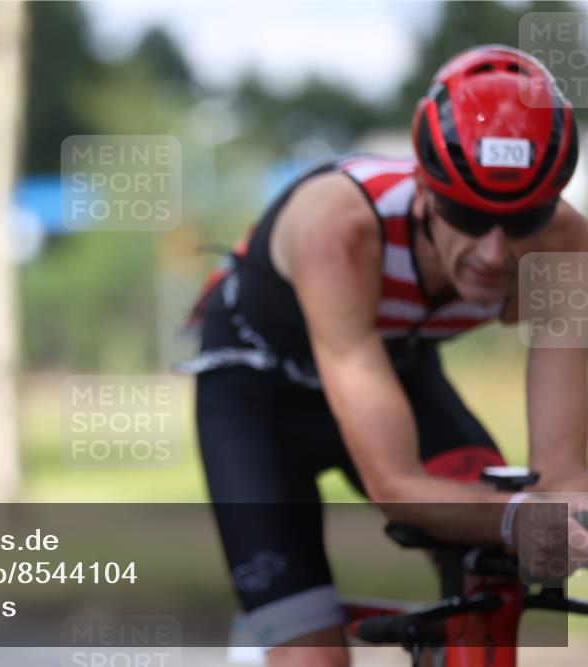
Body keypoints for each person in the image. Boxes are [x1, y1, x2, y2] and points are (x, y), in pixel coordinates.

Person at [188, 45, 588, 666]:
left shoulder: (562, 246)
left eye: (522, 219)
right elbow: (397, 486)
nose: (493, 253)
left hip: (395, 371)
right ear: (424, 187)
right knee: (314, 658)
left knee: (494, 577)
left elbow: (561, 474)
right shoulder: (340, 226)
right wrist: (520, 518)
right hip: (256, 395)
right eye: (468, 214)